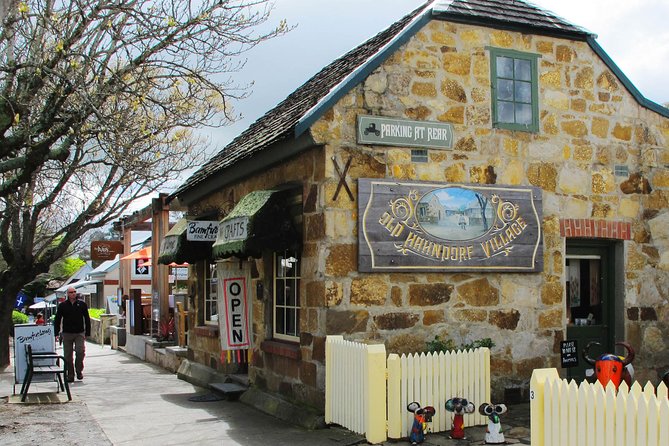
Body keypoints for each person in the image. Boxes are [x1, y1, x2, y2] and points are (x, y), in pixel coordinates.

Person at [54, 287, 91, 382]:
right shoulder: (63, 305)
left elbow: (87, 318)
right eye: (71, 292)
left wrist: (87, 332)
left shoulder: (82, 304)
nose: (73, 294)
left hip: (79, 332)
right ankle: (70, 373)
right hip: (67, 333)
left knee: (80, 351)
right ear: (67, 294)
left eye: (75, 292)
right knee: (67, 355)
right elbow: (57, 319)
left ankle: (79, 370)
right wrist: (56, 332)